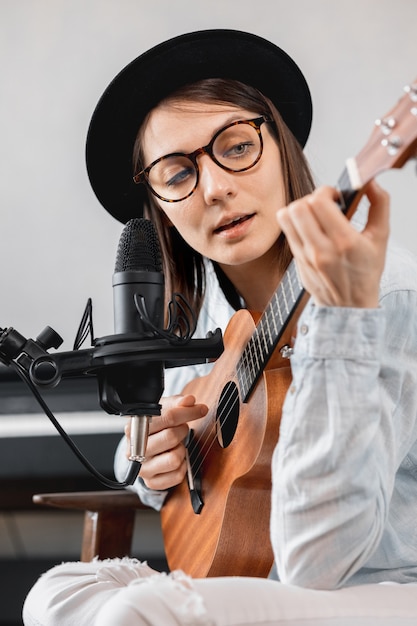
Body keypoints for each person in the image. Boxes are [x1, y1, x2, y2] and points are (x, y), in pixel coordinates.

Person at [23, 29, 417, 625]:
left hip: (381, 585)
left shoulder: (383, 296)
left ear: (280, 145)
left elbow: (320, 562)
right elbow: (144, 460)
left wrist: (342, 322)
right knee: (54, 599)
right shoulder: (205, 313)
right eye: (178, 173)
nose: (214, 187)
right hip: (260, 578)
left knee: (140, 612)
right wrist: (151, 461)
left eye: (235, 147)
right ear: (158, 203)